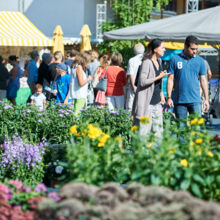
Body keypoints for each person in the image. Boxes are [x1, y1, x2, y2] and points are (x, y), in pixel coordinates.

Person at [167, 35, 209, 120]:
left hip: (195, 100)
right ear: (185, 46)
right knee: (181, 129)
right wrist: (169, 97)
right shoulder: (174, 59)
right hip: (179, 100)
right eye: (192, 49)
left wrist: (206, 99)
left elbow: (203, 80)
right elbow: (170, 79)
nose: (195, 51)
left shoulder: (200, 61)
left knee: (196, 129)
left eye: (196, 49)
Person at [132, 39, 168, 138]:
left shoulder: (159, 61)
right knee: (144, 133)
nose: (165, 50)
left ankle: (156, 153)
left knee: (158, 134)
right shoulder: (147, 62)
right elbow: (142, 82)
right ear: (155, 49)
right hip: (147, 103)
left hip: (157, 103)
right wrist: (159, 77)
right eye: (163, 47)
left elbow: (157, 83)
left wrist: (162, 95)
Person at [125, 43, 145, 111]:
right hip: (144, 85)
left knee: (130, 107)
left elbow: (131, 74)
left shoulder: (132, 60)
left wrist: (133, 86)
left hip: (133, 86)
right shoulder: (146, 59)